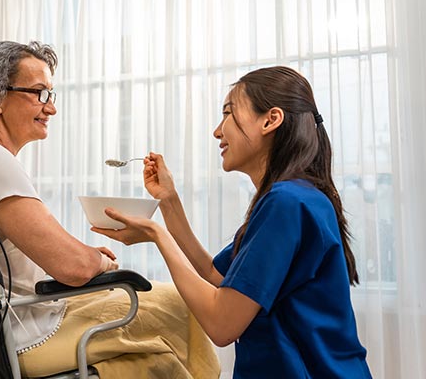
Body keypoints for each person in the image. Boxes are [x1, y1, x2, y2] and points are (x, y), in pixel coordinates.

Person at [0, 40, 220, 378]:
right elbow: (72, 267)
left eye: (51, 95)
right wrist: (99, 261)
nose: (51, 108)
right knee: (181, 305)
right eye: (39, 93)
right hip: (28, 331)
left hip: (9, 322)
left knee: (157, 357)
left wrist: (85, 257)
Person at [93, 66, 373, 378]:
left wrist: (159, 235)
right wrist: (168, 202)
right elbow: (215, 274)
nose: (217, 131)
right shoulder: (297, 197)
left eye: (228, 112)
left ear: (270, 120)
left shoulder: (286, 203)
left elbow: (222, 324)